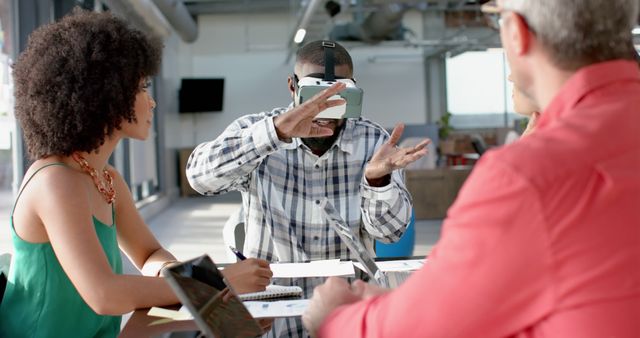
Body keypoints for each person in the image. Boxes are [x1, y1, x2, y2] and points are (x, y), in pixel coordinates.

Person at [303, 0, 640, 336]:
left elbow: (429, 327)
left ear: (518, 34)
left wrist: (336, 317)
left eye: (496, 18)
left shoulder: (529, 175)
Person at [0, 9, 272, 337]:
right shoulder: (56, 182)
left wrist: (192, 286)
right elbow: (105, 295)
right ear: (105, 98)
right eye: (142, 88)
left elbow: (150, 254)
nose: (152, 102)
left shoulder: (107, 178)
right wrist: (217, 284)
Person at [186, 40, 429, 263]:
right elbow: (200, 180)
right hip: (274, 294)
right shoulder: (254, 131)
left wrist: (378, 182)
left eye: (338, 96)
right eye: (315, 96)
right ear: (293, 87)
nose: (325, 110)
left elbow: (391, 235)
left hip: (344, 294)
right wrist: (273, 134)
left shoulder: (373, 142)